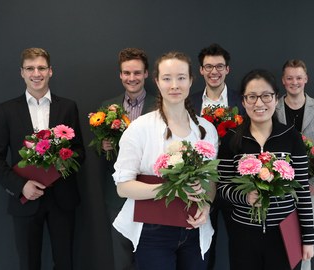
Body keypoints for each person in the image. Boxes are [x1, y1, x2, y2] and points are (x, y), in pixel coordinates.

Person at [111, 51, 219, 270]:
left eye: (181, 78)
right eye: (167, 78)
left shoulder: (206, 129)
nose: (174, 85)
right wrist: (171, 188)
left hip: (194, 228)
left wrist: (206, 206)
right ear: (157, 81)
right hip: (153, 231)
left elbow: (210, 182)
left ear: (190, 81)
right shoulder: (140, 128)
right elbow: (123, 187)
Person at [0, 47, 85, 270]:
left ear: (51, 71)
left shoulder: (68, 107)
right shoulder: (7, 110)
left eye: (41, 68)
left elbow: (79, 152)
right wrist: (21, 186)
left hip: (63, 198)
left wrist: (59, 165)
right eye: (30, 68)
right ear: (21, 72)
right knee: (29, 263)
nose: (36, 73)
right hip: (26, 199)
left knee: (65, 262)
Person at [217, 69, 314, 270]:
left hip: (284, 231)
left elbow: (302, 191)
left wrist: (308, 238)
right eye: (251, 97)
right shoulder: (232, 138)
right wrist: (245, 197)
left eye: (266, 96)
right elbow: (221, 187)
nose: (259, 103)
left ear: (276, 99)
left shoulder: (291, 137)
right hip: (243, 234)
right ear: (243, 101)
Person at [100, 48, 156, 270]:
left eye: (136, 73)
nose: (131, 78)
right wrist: (103, 148)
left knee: (150, 255)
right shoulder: (106, 107)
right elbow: (99, 154)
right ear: (120, 75)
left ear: (146, 74)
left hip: (150, 192)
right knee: (121, 257)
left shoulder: (160, 105)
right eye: (126, 73)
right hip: (117, 195)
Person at [275, 60, 314, 270]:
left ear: (306, 79)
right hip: (279, 185)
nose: (294, 82)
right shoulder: (273, 107)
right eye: (289, 78)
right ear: (283, 81)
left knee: (307, 236)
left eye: (298, 77)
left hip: (310, 186)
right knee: (281, 236)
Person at [189, 43, 241, 270]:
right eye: (208, 66)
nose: (214, 72)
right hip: (201, 184)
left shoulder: (242, 100)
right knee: (203, 246)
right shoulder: (189, 102)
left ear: (228, 69)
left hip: (235, 183)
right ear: (201, 70)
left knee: (239, 245)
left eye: (219, 66)